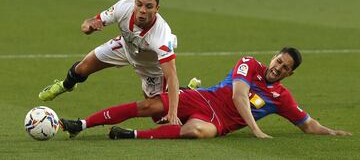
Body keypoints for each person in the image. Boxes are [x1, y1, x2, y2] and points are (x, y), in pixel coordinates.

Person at [59, 47, 352, 139]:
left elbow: (307, 124)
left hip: (218, 124)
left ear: (290, 74)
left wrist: (331, 132)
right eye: (278, 61)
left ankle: (129, 135)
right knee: (149, 106)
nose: (277, 68)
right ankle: (82, 124)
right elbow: (239, 96)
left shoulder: (282, 98)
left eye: (284, 67)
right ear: (273, 57)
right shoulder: (249, 64)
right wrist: (256, 130)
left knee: (197, 131)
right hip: (204, 99)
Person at [39, 0, 182, 125]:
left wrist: (172, 113)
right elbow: (87, 23)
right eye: (139, 4)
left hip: (151, 67)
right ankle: (65, 85)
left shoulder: (161, 36)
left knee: (158, 116)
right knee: (82, 68)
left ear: (157, 8)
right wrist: (89, 27)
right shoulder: (122, 7)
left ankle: (187, 91)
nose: (142, 10)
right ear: (134, 2)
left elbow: (171, 76)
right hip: (124, 47)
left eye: (149, 6)